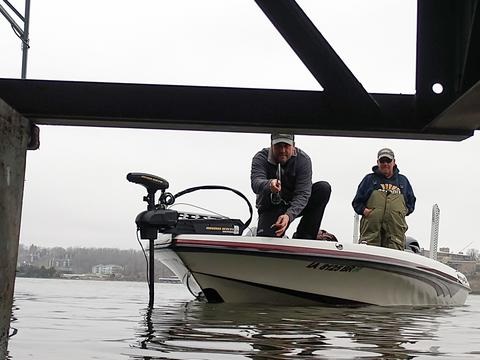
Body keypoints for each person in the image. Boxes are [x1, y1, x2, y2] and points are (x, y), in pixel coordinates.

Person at [250, 133, 331, 239]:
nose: (282, 150)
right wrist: (269, 184)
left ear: (293, 146)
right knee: (267, 242)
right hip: (270, 207)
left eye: (286, 146)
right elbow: (255, 183)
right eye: (278, 146)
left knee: (323, 189)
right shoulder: (260, 158)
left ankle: (305, 236)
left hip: (295, 203)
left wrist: (289, 215)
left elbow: (303, 193)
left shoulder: (303, 160)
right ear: (271, 145)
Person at [352, 148, 416, 250]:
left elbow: (411, 202)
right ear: (377, 162)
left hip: (395, 236)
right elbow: (357, 202)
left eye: (388, 161)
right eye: (382, 161)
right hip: (370, 235)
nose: (385, 164)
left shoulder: (403, 181)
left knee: (394, 259)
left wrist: (402, 212)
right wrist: (365, 211)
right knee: (369, 257)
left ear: (394, 162)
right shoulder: (369, 179)